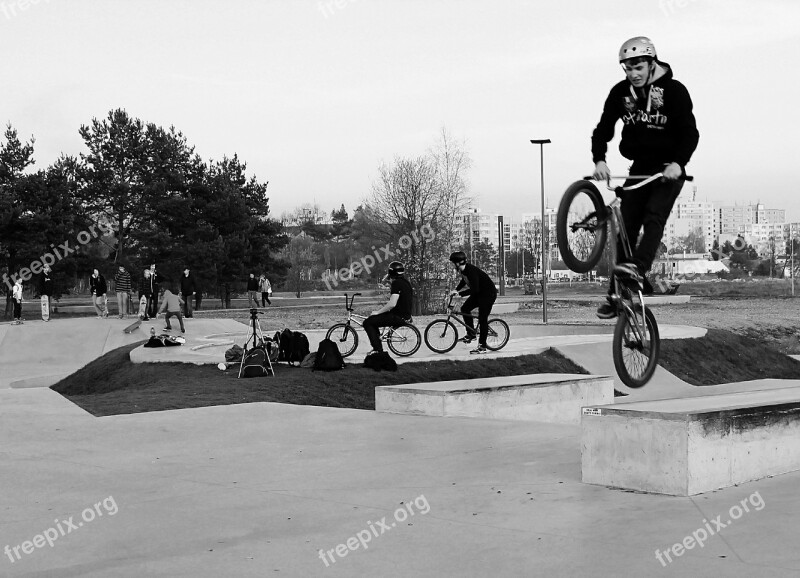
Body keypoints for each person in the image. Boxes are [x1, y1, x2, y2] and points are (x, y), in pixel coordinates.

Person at [591, 36, 699, 318]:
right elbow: (603, 128)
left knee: (654, 216)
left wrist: (678, 163)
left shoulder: (674, 91)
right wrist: (600, 159)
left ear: (651, 64)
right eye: (627, 69)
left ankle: (638, 268)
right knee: (624, 227)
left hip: (668, 169)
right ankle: (617, 294)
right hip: (640, 166)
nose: (633, 74)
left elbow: (690, 132)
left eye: (638, 67)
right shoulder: (620, 93)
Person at [449, 251, 498, 354]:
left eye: (453, 263)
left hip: (488, 294)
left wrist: (461, 294)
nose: (452, 265)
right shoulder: (463, 271)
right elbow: (464, 280)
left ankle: (482, 347)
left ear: (458, 263)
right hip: (479, 293)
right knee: (465, 308)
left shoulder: (470, 270)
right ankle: (471, 334)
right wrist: (456, 290)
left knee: (482, 319)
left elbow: (475, 289)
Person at [362, 261, 413, 354]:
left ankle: (377, 350)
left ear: (391, 272)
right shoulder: (406, 282)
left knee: (368, 322)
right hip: (405, 315)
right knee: (373, 320)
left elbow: (392, 304)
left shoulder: (396, 283)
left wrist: (378, 312)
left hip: (397, 316)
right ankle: (377, 342)